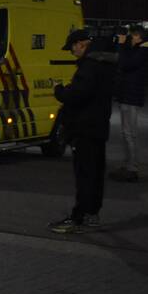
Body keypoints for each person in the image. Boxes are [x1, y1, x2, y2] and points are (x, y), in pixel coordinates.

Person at [48, 29, 117, 234]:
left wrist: (59, 90)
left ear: (80, 44)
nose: (72, 53)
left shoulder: (89, 66)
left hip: (84, 128)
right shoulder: (106, 63)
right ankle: (92, 215)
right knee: (95, 174)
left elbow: (77, 95)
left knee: (85, 175)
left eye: (72, 49)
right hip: (98, 127)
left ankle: (78, 218)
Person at [110, 25, 148, 182]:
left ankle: (132, 168)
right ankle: (128, 165)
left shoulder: (144, 51)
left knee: (130, 133)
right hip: (127, 94)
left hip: (131, 96)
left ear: (138, 36)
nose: (128, 38)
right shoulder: (138, 50)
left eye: (130, 36)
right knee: (127, 133)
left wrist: (121, 45)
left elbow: (125, 64)